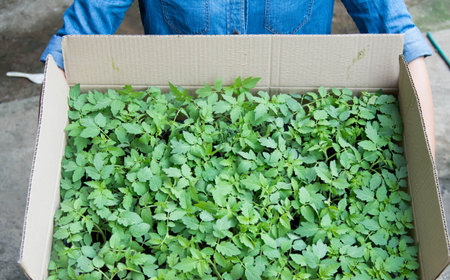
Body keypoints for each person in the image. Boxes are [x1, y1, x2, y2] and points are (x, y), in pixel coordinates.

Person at [40, 0, 436, 158]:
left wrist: (422, 183)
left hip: (300, 139)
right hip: (175, 136)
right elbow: (70, 46)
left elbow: (404, 44)